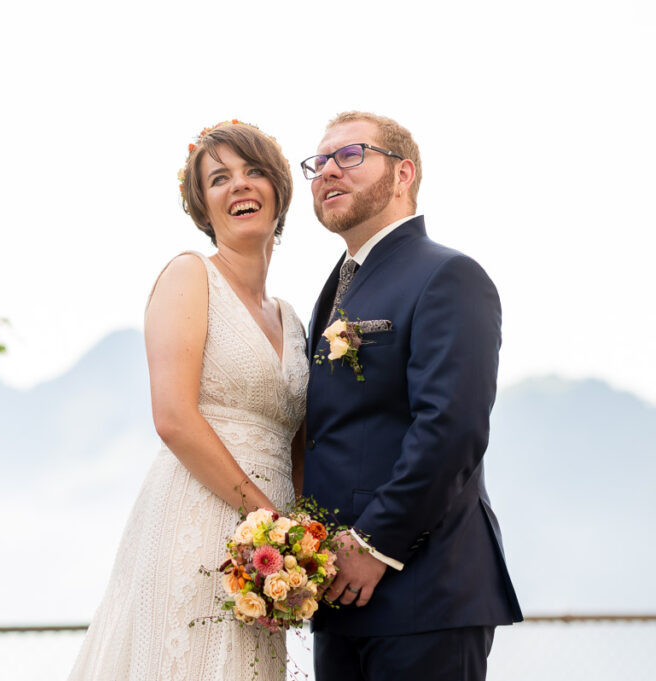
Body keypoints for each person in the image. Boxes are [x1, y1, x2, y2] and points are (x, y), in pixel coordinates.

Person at [67, 121, 309, 681]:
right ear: (204, 206)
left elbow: (300, 440)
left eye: (253, 172)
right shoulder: (189, 275)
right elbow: (173, 418)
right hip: (196, 517)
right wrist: (264, 516)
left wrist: (300, 540)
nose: (239, 186)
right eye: (219, 178)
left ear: (278, 188)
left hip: (269, 546)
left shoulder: (293, 318)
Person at [300, 111, 523, 681]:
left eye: (350, 155)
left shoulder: (449, 276)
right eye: (319, 162)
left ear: (403, 173)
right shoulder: (337, 288)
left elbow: (451, 429)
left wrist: (374, 545)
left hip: (425, 589)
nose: (328, 171)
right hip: (341, 597)